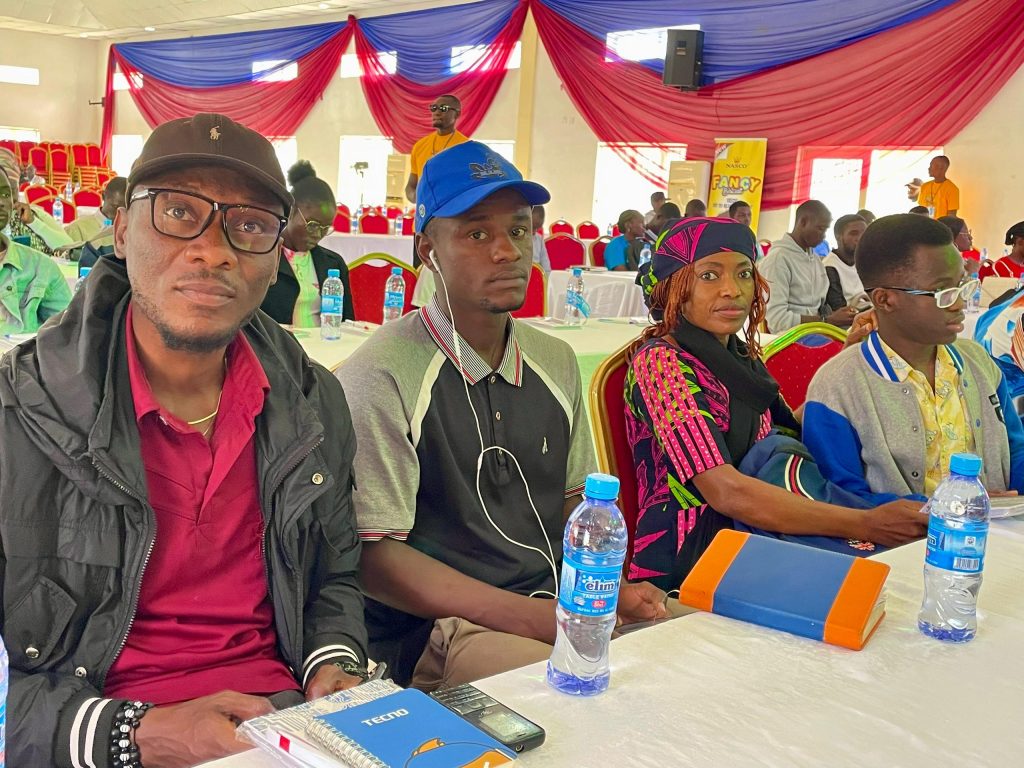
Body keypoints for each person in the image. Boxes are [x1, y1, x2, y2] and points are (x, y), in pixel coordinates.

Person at [0, 113, 369, 767]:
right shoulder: (19, 411)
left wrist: (331, 663)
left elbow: (333, 577)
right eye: (177, 212)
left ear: (277, 256)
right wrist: (134, 734)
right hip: (93, 736)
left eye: (249, 225)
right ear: (120, 230)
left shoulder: (311, 405)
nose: (213, 250)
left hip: (282, 728)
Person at [337, 141, 666, 690]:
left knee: (691, 650)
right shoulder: (383, 372)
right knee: (594, 695)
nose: (508, 251)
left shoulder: (554, 360)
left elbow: (575, 504)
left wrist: (606, 595)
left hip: (551, 603)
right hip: (440, 630)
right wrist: (540, 620)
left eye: (518, 230)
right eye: (476, 234)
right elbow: (375, 559)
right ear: (427, 250)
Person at [625, 217, 926, 590]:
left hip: (760, 529)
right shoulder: (660, 363)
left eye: (744, 274)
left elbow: (786, 430)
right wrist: (865, 522)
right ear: (674, 286)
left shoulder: (738, 354)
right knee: (876, 584)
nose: (732, 290)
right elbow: (726, 491)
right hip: (696, 552)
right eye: (709, 276)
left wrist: (847, 361)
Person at [804, 214, 1024, 503]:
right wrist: (951, 508)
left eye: (962, 285)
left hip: (998, 526)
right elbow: (842, 498)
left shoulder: (977, 362)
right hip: (905, 534)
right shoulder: (838, 386)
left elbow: (1015, 447)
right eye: (943, 292)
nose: (959, 303)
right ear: (884, 300)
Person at [261, 160, 354, 325]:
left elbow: (346, 324)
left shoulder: (333, 264)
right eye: (312, 225)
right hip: (276, 342)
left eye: (325, 228)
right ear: (290, 211)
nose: (317, 235)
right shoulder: (263, 257)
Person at [761, 200, 855, 331]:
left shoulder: (815, 260)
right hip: (788, 336)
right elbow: (777, 321)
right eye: (820, 228)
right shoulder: (778, 260)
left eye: (825, 230)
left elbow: (820, 308)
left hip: (815, 330)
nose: (823, 236)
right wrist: (827, 321)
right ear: (803, 222)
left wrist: (838, 316)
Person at [0, 169, 71, 335]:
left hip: (20, 350)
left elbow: (70, 331)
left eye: (5, 194)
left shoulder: (39, 267)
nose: (2, 202)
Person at [0, 147, 73, 254]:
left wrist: (33, 222)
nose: (2, 201)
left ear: (18, 189)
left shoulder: (33, 214)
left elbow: (70, 248)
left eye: (8, 192)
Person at [405, 94, 468, 204]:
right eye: (434, 108)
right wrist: (417, 197)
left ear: (457, 114)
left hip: (453, 211)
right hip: (424, 213)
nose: (437, 112)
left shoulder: (466, 147)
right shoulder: (420, 146)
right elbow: (411, 186)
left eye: (443, 108)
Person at [64, 176, 127, 245]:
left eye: (126, 209)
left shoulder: (130, 230)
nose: (120, 213)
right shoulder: (76, 229)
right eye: (115, 207)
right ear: (103, 196)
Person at [823, 213, 867, 310]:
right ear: (838, 236)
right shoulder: (830, 267)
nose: (860, 238)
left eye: (864, 233)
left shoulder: (862, 262)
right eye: (854, 233)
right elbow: (839, 309)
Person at [531, 204, 552, 275]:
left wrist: (547, 277)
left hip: (537, 275)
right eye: (532, 227)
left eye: (537, 228)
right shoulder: (516, 239)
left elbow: (546, 264)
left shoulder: (539, 239)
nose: (534, 231)